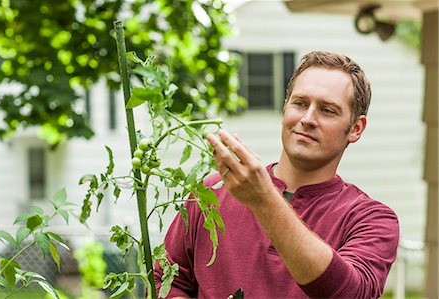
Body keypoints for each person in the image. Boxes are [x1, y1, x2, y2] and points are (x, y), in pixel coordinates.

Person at [154, 51, 399, 298]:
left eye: (327, 110)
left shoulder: (371, 219)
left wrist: (263, 199)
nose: (307, 119)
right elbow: (166, 281)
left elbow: (351, 293)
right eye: (300, 103)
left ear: (356, 129)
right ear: (285, 107)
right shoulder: (210, 193)